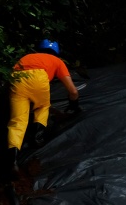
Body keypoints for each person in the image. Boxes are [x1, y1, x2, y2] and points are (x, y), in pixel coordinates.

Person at [6, 39, 80, 174]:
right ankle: (34, 138)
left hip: (16, 79)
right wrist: (74, 104)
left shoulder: (26, 57)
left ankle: (12, 161)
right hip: (39, 78)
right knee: (43, 107)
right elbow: (73, 91)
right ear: (57, 52)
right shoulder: (57, 61)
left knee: (17, 122)